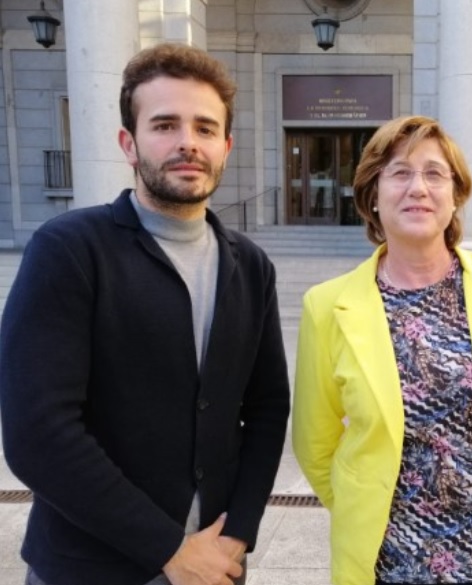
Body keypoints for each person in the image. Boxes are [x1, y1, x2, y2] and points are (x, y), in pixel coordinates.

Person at [0, 43, 290, 585]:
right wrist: (168, 550)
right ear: (128, 143)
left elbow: (269, 408)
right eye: (164, 125)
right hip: (90, 568)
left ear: (226, 146)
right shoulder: (69, 250)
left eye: (205, 128)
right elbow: (38, 435)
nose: (187, 143)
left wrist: (237, 534)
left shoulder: (250, 266)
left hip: (215, 564)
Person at [292, 115, 472, 585]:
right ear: (372, 195)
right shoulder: (328, 307)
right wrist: (363, 508)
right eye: (400, 173)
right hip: (389, 567)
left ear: (456, 194)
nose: (418, 188)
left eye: (434, 173)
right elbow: (314, 444)